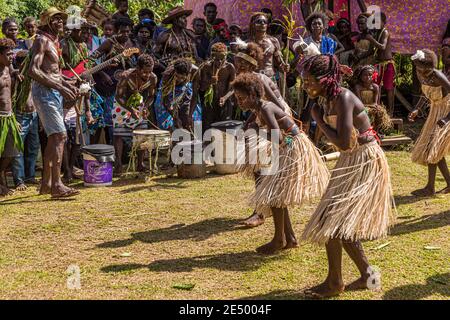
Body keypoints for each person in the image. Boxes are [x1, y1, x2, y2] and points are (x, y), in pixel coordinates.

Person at [300, 54, 395, 299]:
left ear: (326, 79)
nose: (306, 85)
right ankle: (367, 276)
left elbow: (343, 141)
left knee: (333, 221)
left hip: (364, 159)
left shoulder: (343, 97)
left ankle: (335, 282)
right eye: (304, 80)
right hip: (351, 158)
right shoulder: (327, 98)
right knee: (337, 222)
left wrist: (319, 121)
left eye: (310, 80)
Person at [232, 73, 329, 254]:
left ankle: (279, 240)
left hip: (292, 148)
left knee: (275, 195)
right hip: (285, 148)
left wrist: (255, 132)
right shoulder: (258, 109)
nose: (239, 102)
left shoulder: (267, 108)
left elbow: (278, 137)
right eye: (237, 98)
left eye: (241, 98)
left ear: (253, 95)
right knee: (276, 195)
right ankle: (289, 237)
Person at [231, 43, 295, 228]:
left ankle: (260, 212)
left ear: (251, 64)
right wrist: (248, 122)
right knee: (259, 167)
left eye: (242, 63)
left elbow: (277, 107)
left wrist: (263, 128)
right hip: (264, 119)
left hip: (276, 121)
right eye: (236, 62)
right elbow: (257, 106)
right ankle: (261, 209)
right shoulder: (248, 81)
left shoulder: (259, 78)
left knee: (265, 168)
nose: (238, 66)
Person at [29, 7, 80, 198]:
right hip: (45, 92)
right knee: (60, 136)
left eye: (61, 19)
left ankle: (47, 184)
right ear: (48, 22)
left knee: (54, 137)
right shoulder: (41, 40)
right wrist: (59, 87)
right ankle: (57, 185)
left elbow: (52, 71)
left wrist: (67, 83)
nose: (60, 22)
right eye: (56, 19)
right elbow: (33, 70)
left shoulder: (53, 40)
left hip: (52, 91)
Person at [408, 49, 450, 196]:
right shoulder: (420, 74)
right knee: (432, 150)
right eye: (419, 70)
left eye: (425, 70)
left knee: (433, 148)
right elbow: (424, 93)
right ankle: (438, 185)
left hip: (446, 111)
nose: (423, 73)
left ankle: (430, 187)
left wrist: (446, 118)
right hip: (435, 111)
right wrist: (417, 109)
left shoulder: (438, 75)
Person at [113, 54, 157, 174]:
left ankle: (140, 164)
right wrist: (130, 110)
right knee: (119, 134)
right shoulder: (126, 76)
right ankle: (118, 164)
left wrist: (146, 107)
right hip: (121, 105)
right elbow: (118, 96)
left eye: (149, 72)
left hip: (139, 105)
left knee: (141, 134)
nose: (147, 75)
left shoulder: (153, 78)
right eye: (144, 72)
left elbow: (152, 96)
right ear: (137, 68)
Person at [0, 38, 23, 197]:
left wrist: (13, 117)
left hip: (9, 116)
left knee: (11, 152)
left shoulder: (9, 69)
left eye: (12, 54)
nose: (11, 57)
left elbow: (10, 96)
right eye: (8, 54)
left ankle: (1, 180)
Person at [154, 58, 202, 132]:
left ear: (189, 73)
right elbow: (165, 100)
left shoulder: (195, 72)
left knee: (187, 119)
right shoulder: (167, 75)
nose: (179, 79)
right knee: (162, 114)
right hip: (170, 90)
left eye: (182, 77)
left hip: (185, 89)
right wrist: (175, 118)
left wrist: (189, 116)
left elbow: (194, 95)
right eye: (177, 76)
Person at [197, 42, 235, 130]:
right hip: (210, 103)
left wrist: (225, 97)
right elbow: (202, 88)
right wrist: (210, 81)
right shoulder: (206, 67)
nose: (220, 62)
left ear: (226, 56)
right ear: (212, 57)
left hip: (225, 102)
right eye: (217, 59)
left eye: (222, 58)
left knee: (224, 127)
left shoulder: (230, 67)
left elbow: (233, 88)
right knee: (208, 127)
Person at [364, 12, 395, 116]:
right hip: (379, 65)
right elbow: (372, 51)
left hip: (387, 65)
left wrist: (371, 39)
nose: (376, 24)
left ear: (384, 22)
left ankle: (390, 112)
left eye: (378, 22)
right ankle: (378, 111)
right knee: (377, 87)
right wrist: (359, 56)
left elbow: (382, 46)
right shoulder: (376, 33)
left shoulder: (385, 32)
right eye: (374, 22)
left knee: (389, 88)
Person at [247, 12, 289, 81]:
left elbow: (279, 64)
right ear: (253, 25)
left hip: (270, 79)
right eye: (259, 21)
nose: (262, 23)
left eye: (265, 22)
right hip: (254, 80)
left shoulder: (273, 41)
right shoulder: (247, 44)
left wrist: (284, 67)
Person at [353, 65, 392, 134]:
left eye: (370, 75)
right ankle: (363, 131)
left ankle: (376, 132)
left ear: (373, 76)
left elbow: (375, 102)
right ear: (360, 76)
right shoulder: (358, 87)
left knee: (379, 112)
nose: (368, 77)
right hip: (361, 107)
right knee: (365, 111)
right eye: (365, 75)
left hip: (372, 106)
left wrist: (374, 106)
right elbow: (359, 103)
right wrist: (367, 107)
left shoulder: (375, 87)